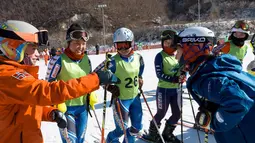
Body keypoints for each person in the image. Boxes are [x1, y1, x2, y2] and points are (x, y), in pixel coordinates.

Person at [0, 20, 119, 143]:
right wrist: (96, 79)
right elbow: (48, 91)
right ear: (13, 47)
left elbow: (24, 109)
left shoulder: (16, 75)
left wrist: (49, 113)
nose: (37, 54)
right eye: (33, 48)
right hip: (66, 108)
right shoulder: (7, 76)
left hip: (80, 108)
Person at [176, 26, 255, 143]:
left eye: (179, 50)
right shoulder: (218, 68)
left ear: (192, 48)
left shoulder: (207, 79)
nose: (176, 55)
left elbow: (239, 103)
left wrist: (214, 123)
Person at [46, 23, 95, 143]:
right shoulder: (59, 60)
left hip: (83, 107)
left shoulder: (86, 60)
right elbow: (49, 84)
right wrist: (57, 102)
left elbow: (89, 79)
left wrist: (91, 93)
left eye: (83, 44)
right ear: (68, 43)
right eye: (77, 43)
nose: (81, 47)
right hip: (66, 109)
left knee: (80, 140)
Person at [94, 27, 144, 143]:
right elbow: (96, 75)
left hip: (135, 98)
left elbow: (140, 71)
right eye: (119, 46)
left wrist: (140, 79)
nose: (122, 49)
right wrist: (110, 87)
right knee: (121, 129)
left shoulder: (138, 58)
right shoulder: (112, 61)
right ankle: (111, 139)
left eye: (125, 45)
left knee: (136, 128)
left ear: (132, 43)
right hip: (121, 100)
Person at [142, 29, 184, 143]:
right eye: (165, 42)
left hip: (175, 90)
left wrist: (182, 75)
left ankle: (167, 133)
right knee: (161, 113)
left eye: (170, 42)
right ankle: (152, 134)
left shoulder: (177, 56)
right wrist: (174, 79)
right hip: (164, 90)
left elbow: (181, 69)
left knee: (177, 114)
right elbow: (159, 74)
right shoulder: (160, 56)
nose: (167, 45)